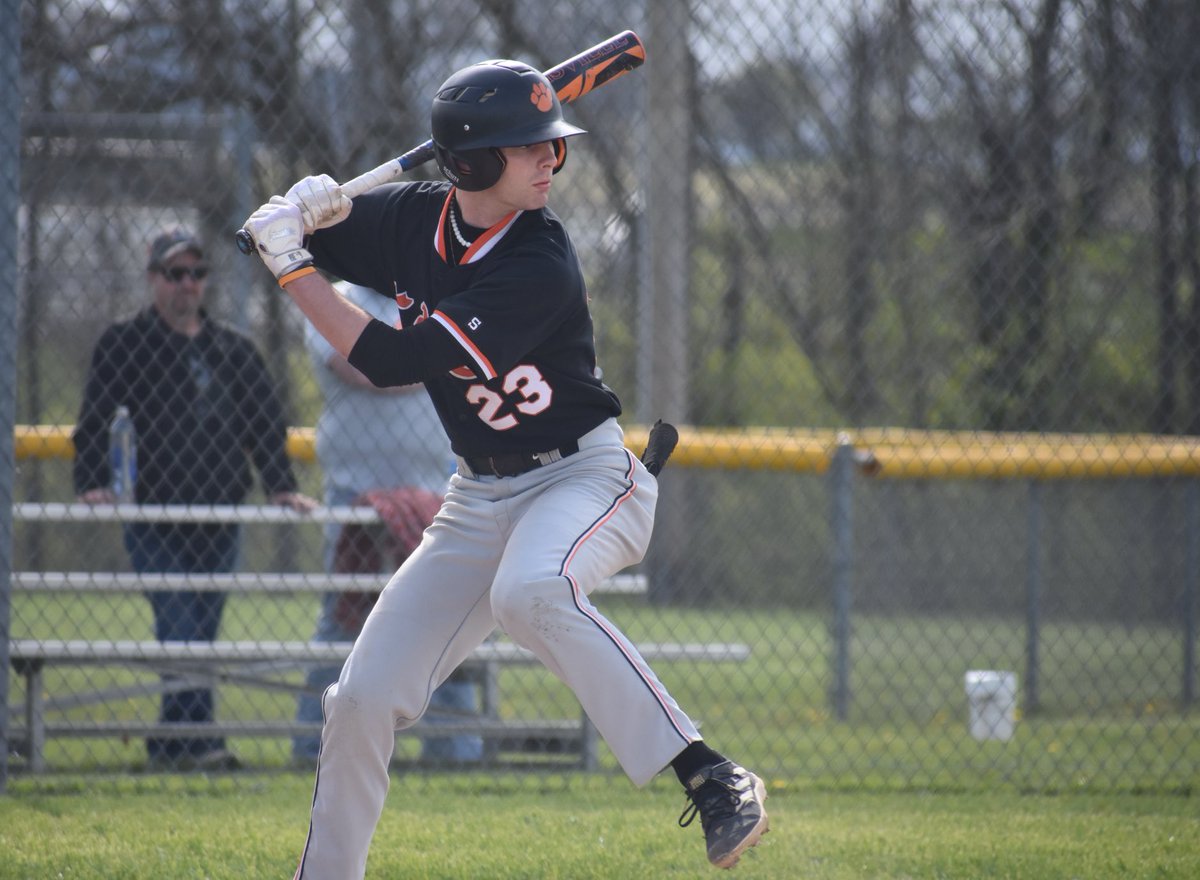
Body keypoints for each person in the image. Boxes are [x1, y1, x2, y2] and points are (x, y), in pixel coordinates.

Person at [242, 59, 768, 875]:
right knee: (359, 701)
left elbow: (388, 358)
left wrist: (293, 266)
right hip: (480, 496)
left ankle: (707, 771)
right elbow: (283, 240)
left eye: (551, 147)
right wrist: (299, 214)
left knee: (530, 592)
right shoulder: (410, 222)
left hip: (585, 480)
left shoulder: (539, 259)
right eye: (527, 149)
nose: (550, 162)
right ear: (471, 163)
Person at [72, 228, 316, 771]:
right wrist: (91, 480)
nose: (187, 285)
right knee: (180, 626)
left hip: (219, 513)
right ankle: (198, 743)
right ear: (153, 278)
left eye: (196, 274)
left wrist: (281, 486)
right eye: (175, 274)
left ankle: (174, 744)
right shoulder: (126, 341)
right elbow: (93, 419)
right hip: (155, 514)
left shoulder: (232, 348)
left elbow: (264, 424)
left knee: (201, 635)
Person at [293, 281, 482, 765]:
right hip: (351, 492)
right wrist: (438, 360)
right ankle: (315, 746)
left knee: (445, 618)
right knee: (344, 617)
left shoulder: (433, 295)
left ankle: (454, 751)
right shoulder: (333, 296)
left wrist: (421, 356)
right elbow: (361, 368)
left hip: (441, 491)